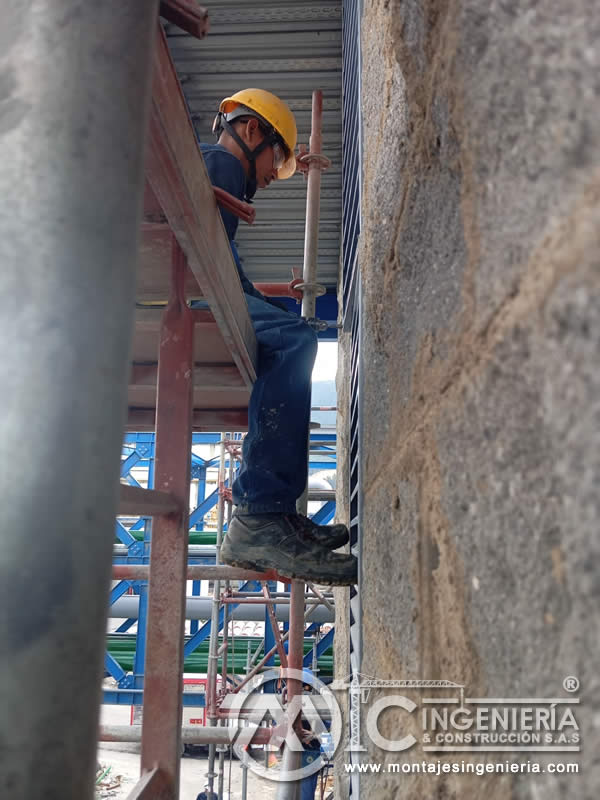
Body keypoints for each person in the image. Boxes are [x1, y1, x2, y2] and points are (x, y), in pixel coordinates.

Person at [199, 89, 357, 586]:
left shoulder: (214, 175)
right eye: (277, 158)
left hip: (184, 287)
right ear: (251, 131)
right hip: (184, 293)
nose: (271, 176)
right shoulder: (219, 167)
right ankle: (260, 514)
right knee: (293, 341)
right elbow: (210, 272)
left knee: (293, 333)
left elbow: (228, 273)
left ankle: (275, 514)